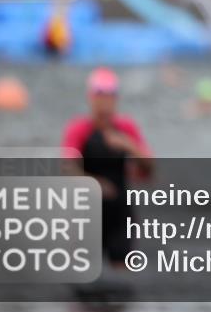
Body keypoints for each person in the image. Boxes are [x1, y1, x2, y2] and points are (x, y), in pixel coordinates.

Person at [61, 67, 153, 268]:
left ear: (116, 99)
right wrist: (94, 184)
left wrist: (130, 147)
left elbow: (149, 169)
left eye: (110, 96)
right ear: (90, 98)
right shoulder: (79, 129)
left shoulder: (126, 129)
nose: (104, 102)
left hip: (120, 212)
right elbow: (67, 168)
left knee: (121, 280)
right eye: (99, 96)